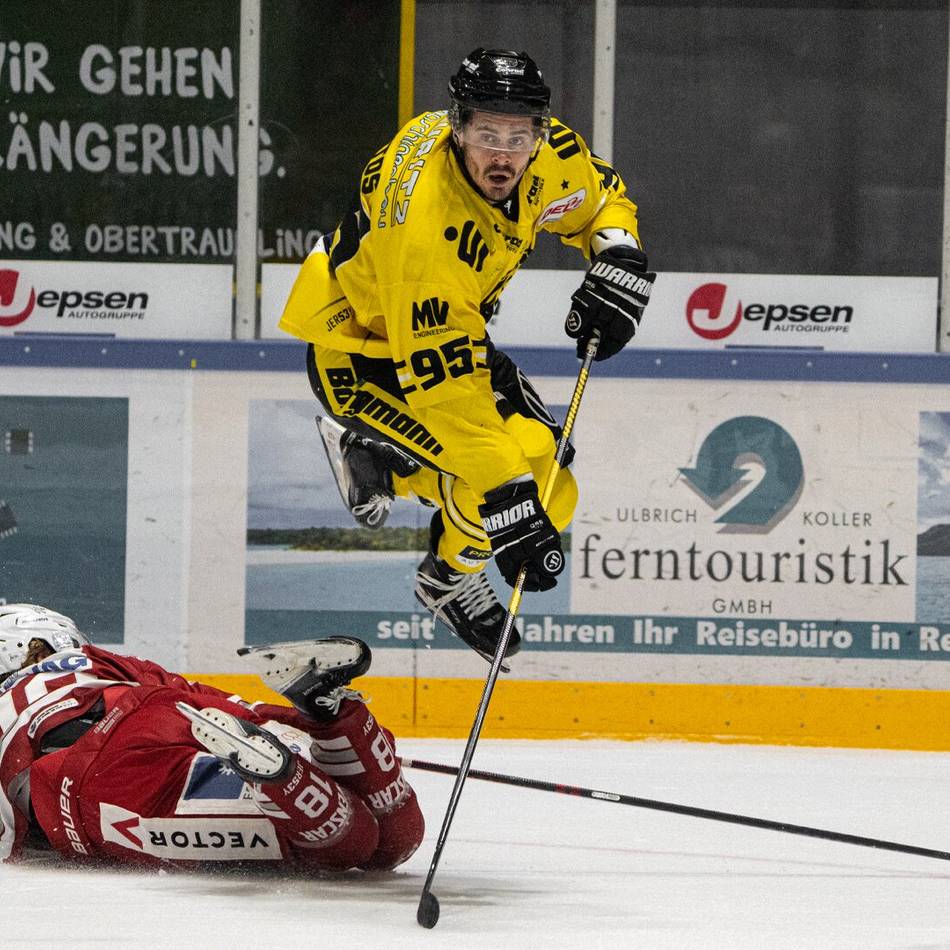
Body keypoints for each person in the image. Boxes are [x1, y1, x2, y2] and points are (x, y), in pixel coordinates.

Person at [279, 48, 655, 661]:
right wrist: (509, 504)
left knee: (551, 478)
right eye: (485, 134)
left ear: (539, 132)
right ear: (457, 127)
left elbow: (601, 200)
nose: (501, 154)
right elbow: (448, 397)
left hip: (452, 340)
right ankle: (437, 556)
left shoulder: (547, 153)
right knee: (508, 483)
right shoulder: (429, 232)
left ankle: (392, 479)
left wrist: (616, 256)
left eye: (517, 135)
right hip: (364, 357)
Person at [0, 603, 423, 871]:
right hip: (166, 713)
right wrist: (280, 717)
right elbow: (189, 691)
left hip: (95, 781)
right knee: (396, 840)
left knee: (350, 842)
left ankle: (278, 777)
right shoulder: (95, 661)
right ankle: (334, 718)